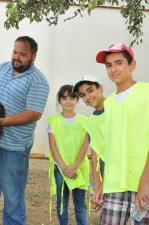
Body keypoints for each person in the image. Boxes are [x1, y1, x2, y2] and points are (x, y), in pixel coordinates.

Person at [0, 36, 49, 225]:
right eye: (15, 52)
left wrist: (2, 122)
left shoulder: (38, 81)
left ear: (33, 56)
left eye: (22, 54)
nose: (17, 57)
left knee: (13, 196)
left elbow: (34, 113)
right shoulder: (2, 68)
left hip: (14, 148)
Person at [95, 43, 149, 224]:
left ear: (132, 65)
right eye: (109, 65)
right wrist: (103, 182)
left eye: (119, 63)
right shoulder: (109, 103)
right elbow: (110, 148)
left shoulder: (148, 91)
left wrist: (144, 182)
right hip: (116, 185)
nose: (113, 69)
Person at [47, 85, 90, 225]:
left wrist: (74, 167)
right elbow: (53, 147)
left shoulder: (85, 121)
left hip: (79, 168)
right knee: (62, 203)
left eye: (72, 98)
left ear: (77, 100)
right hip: (60, 169)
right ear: (59, 100)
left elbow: (85, 146)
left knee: (80, 204)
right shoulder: (53, 121)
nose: (68, 101)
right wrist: (64, 167)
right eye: (64, 98)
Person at [72, 75, 106, 207]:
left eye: (90, 90)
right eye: (83, 95)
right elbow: (95, 155)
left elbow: (117, 150)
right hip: (106, 180)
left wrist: (104, 184)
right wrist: (97, 186)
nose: (88, 97)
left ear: (101, 88)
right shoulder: (91, 121)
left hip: (123, 177)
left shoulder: (116, 110)